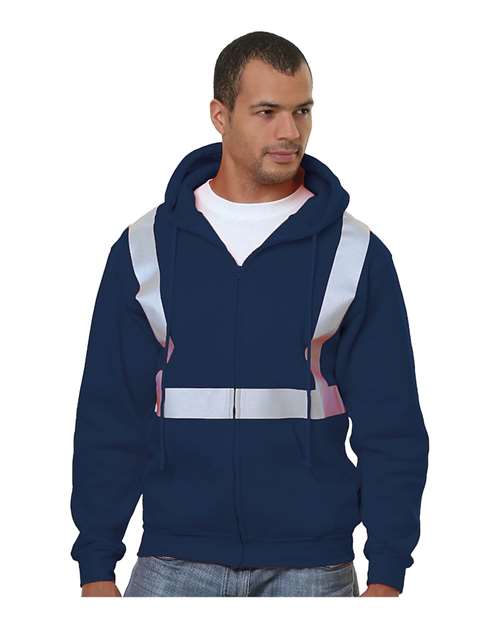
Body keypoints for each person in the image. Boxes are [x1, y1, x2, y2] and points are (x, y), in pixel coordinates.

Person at [70, 31, 429, 598]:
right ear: (221, 115)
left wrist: (387, 573)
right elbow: (109, 414)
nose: (290, 131)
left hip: (314, 569)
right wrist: (96, 564)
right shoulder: (146, 248)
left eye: (302, 111)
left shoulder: (354, 252)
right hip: (174, 563)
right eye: (267, 112)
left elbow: (393, 424)